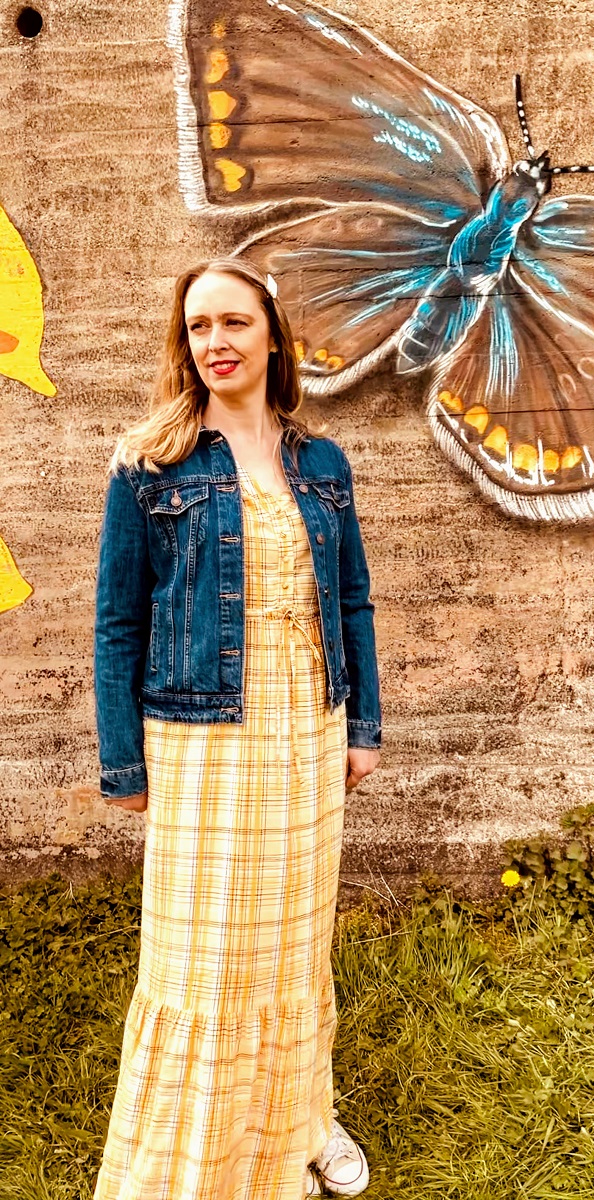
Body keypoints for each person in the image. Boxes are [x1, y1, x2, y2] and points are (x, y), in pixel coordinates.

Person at [92, 257, 381, 1199]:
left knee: (294, 941)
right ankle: (197, 1159)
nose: (214, 342)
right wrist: (123, 760)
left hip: (307, 724)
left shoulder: (323, 464)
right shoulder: (151, 463)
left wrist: (363, 725)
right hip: (203, 736)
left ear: (272, 336)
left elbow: (352, 600)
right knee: (202, 951)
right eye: (198, 327)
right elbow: (118, 620)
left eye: (233, 322)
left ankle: (302, 1121)